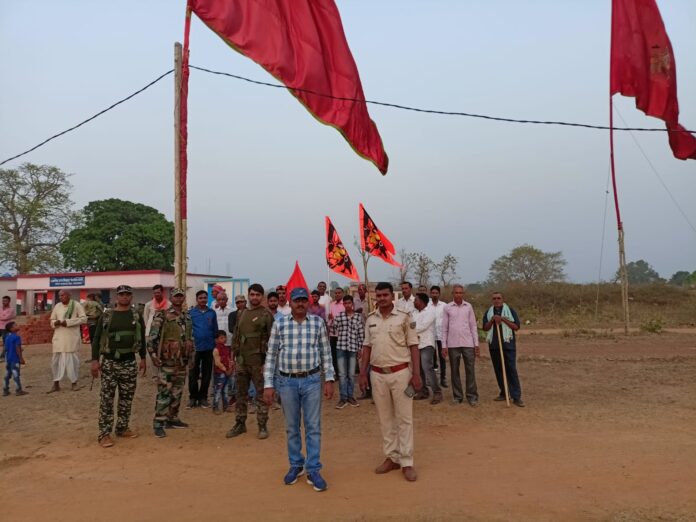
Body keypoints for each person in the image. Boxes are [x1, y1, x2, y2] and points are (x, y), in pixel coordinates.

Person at [263, 287, 335, 492]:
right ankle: (296, 465)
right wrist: (269, 384)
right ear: (291, 302)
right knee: (292, 427)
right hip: (287, 382)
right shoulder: (280, 324)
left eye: (304, 300)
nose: (301, 303)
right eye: (297, 300)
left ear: (308, 302)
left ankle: (313, 469)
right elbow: (271, 356)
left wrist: (329, 379)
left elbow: (325, 352)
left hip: (312, 380)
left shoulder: (317, 323)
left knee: (313, 427)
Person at [359, 282, 421, 482]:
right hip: (377, 375)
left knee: (404, 418)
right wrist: (362, 373)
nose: (382, 298)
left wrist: (417, 374)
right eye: (379, 295)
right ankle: (391, 457)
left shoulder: (404, 317)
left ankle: (407, 461)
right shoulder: (370, 319)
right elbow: (367, 347)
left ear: (391, 297)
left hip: (401, 373)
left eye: (385, 295)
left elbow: (413, 346)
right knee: (385, 419)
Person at [90, 285, 147, 448]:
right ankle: (104, 433)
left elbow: (141, 337)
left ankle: (122, 427)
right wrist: (95, 360)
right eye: (122, 294)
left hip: (129, 361)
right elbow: (96, 338)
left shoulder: (136, 315)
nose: (125, 297)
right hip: (109, 362)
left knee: (126, 398)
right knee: (107, 399)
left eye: (128, 294)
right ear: (117, 297)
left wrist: (143, 358)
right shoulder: (107, 315)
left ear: (131, 297)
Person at [226, 283, 274, 440]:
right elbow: (236, 336)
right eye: (252, 294)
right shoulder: (241, 313)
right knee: (240, 394)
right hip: (241, 360)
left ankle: (262, 425)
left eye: (258, 295)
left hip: (258, 362)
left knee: (261, 395)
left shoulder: (266, 315)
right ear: (248, 295)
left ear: (262, 297)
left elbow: (272, 341)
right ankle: (240, 424)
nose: (255, 297)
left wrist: (267, 363)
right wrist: (233, 357)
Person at [148, 288, 194, 438]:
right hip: (167, 362)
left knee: (177, 392)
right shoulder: (162, 315)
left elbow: (190, 338)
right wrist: (153, 355)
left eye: (181, 296)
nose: (179, 299)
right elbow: (152, 337)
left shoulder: (187, 317)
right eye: (176, 296)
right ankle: (158, 423)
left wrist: (191, 356)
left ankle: (172, 418)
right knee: (164, 393)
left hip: (181, 362)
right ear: (171, 298)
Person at [482, 292, 524, 407]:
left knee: (511, 370)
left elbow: (516, 327)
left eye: (499, 298)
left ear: (502, 299)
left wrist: (503, 319)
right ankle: (504, 392)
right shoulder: (489, 312)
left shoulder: (510, 310)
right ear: (492, 300)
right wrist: (492, 320)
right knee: (498, 370)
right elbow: (485, 328)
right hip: (494, 346)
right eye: (494, 298)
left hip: (508, 345)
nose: (496, 300)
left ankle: (516, 396)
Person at [441, 284, 479, 406]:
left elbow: (473, 326)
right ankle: (457, 396)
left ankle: (472, 396)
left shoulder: (468, 307)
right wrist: (444, 345)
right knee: (454, 371)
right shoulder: (447, 307)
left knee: (470, 370)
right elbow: (444, 328)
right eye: (456, 293)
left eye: (460, 293)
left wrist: (476, 344)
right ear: (452, 294)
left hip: (468, 343)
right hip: (453, 344)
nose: (458, 295)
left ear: (463, 294)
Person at [48, 290, 87, 393]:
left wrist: (68, 322)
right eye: (59, 295)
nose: (61, 297)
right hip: (59, 338)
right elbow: (51, 320)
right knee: (55, 362)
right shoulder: (57, 306)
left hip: (71, 338)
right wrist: (55, 323)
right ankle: (56, 383)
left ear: (69, 295)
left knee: (72, 362)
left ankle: (74, 383)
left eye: (63, 295)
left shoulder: (76, 305)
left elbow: (83, 319)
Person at [333, 294, 364, 409]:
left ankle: (350, 396)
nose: (347, 305)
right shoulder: (339, 316)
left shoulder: (357, 317)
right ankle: (343, 398)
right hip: (341, 347)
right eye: (345, 303)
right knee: (341, 374)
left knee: (351, 374)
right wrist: (332, 321)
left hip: (352, 348)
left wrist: (360, 348)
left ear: (352, 304)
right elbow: (333, 329)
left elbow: (361, 333)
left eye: (349, 303)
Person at [188, 290, 218, 409]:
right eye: (200, 298)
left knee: (206, 374)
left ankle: (203, 398)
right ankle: (193, 397)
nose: (203, 300)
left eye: (205, 298)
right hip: (195, 348)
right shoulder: (190, 313)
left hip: (209, 347)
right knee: (193, 374)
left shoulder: (212, 313)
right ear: (197, 299)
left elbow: (215, 330)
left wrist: (216, 345)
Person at [413, 293, 442, 404]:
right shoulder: (414, 313)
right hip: (416, 344)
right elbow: (410, 325)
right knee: (418, 369)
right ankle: (423, 391)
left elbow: (421, 326)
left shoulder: (430, 312)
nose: (414, 302)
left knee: (427, 368)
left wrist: (411, 331)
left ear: (422, 301)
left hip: (427, 344)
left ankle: (437, 392)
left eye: (416, 300)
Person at [429, 286, 448, 388]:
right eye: (433, 293)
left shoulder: (444, 306)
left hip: (441, 335)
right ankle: (432, 379)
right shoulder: (427, 305)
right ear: (430, 293)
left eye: (436, 293)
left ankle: (443, 379)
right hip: (430, 335)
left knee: (442, 357)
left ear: (439, 294)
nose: (434, 295)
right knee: (431, 358)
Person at [212, 330, 234, 414]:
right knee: (218, 390)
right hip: (220, 372)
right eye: (221, 338)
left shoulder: (226, 348)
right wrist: (226, 369)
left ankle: (225, 406)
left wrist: (231, 367)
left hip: (225, 371)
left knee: (224, 390)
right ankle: (215, 407)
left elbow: (229, 359)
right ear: (216, 340)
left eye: (225, 337)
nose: (224, 339)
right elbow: (217, 363)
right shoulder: (216, 350)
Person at [3, 322, 27, 396]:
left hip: (8, 359)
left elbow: (6, 348)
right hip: (15, 358)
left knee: (7, 375)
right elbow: (17, 348)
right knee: (16, 374)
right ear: (12, 329)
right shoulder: (17, 337)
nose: (18, 326)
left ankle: (5, 390)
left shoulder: (7, 337)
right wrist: (21, 358)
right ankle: (18, 390)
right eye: (15, 325)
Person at [327, 287, 345, 376]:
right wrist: (330, 320)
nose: (337, 294)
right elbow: (329, 319)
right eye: (336, 293)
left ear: (342, 293)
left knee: (341, 354)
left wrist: (336, 319)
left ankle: (342, 372)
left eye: (339, 293)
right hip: (332, 334)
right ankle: (336, 373)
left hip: (342, 334)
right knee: (333, 354)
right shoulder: (332, 304)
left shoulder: (344, 304)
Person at [0, 295, 16, 362]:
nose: (4, 302)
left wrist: (2, 317)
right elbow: (3, 317)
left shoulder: (11, 310)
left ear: (9, 301)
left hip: (5, 328)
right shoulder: (0, 308)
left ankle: (2, 357)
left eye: (5, 301)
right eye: (3, 301)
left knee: (5, 343)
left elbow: (6, 318)